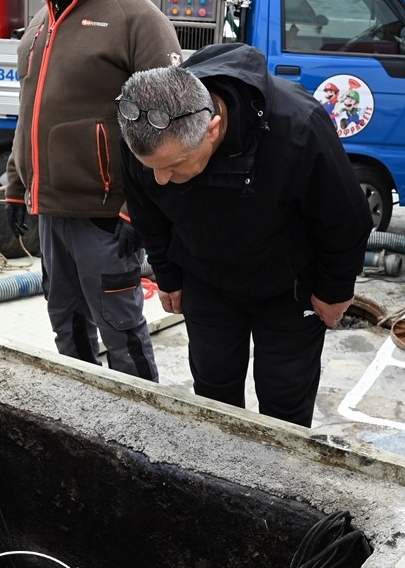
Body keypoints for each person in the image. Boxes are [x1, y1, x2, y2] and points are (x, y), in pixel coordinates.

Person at [114, 45, 372, 427]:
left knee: (285, 400)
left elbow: (346, 218)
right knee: (213, 392)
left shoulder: (298, 126)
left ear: (212, 129)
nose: (161, 179)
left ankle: (281, 465)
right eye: (152, 168)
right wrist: (168, 276)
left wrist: (334, 291)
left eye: (174, 166)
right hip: (205, 279)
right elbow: (147, 212)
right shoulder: (143, 132)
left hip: (288, 285)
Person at [4, 0, 181, 382]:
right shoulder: (40, 24)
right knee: (66, 325)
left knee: (121, 330)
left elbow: (172, 125)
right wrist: (16, 188)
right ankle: (81, 413)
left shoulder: (136, 19)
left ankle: (142, 417)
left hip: (106, 216)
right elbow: (28, 112)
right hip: (50, 211)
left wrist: (137, 210)